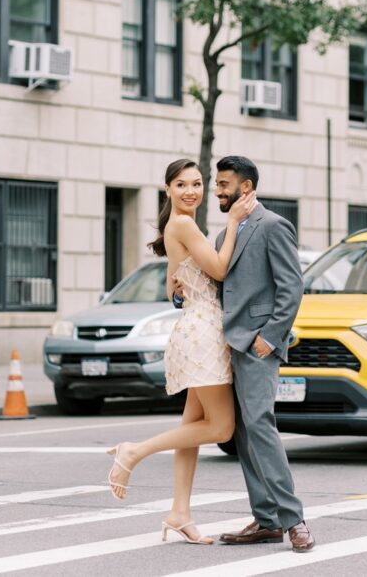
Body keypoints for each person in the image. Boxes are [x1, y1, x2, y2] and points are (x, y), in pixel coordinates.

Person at [105, 158, 256, 545]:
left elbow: (177, 282)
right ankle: (134, 451)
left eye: (197, 184)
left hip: (199, 328)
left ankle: (180, 512)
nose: (191, 191)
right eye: (181, 184)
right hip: (203, 333)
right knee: (221, 427)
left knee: (192, 429)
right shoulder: (185, 224)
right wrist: (236, 221)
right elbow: (221, 270)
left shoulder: (181, 226)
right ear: (168, 190)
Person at [180, 155, 315, 553]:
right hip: (224, 344)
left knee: (259, 424)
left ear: (247, 188)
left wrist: (270, 337)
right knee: (240, 432)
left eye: (223, 185)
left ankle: (294, 520)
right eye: (216, 184)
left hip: (257, 344)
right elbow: (219, 285)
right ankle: (267, 519)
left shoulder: (273, 226)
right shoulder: (225, 234)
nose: (217, 191)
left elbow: (292, 288)